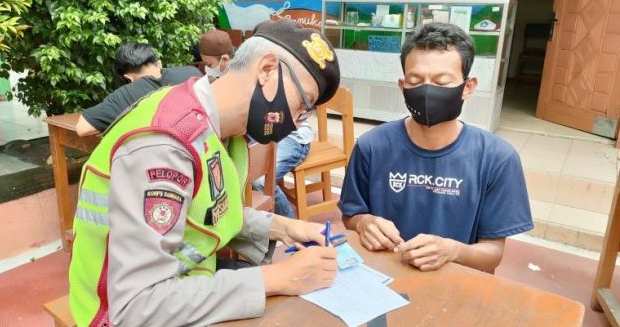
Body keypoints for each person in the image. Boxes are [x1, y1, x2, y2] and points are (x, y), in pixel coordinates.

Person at [69, 19, 342, 326]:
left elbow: (208, 212)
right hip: (116, 313)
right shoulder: (164, 145)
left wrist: (283, 228)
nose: (299, 121)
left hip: (186, 284)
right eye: (302, 105)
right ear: (266, 70)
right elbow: (136, 306)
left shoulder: (224, 129)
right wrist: (279, 277)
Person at [338, 22, 533, 273]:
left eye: (442, 82)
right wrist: (364, 222)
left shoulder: (497, 158)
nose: (427, 91)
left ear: (468, 87)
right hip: (383, 278)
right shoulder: (371, 146)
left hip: (454, 285)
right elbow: (350, 215)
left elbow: (493, 253)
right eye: (416, 80)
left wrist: (453, 251)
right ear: (402, 86)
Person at [75, 42, 202, 136]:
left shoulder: (126, 95)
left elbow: (82, 128)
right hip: (203, 143)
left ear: (128, 77)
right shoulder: (192, 73)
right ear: (159, 63)